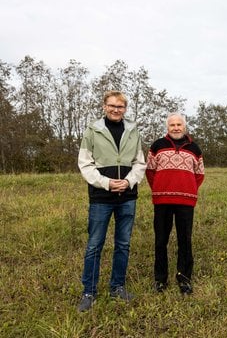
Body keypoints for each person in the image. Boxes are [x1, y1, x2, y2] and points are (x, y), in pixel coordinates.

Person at [77, 90, 146, 312]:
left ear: (125, 109)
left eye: (120, 106)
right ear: (104, 106)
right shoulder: (92, 131)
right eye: (112, 106)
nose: (116, 110)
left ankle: (117, 287)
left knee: (123, 244)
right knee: (94, 245)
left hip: (127, 197)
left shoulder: (133, 131)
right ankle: (89, 292)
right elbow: (85, 164)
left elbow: (139, 162)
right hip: (101, 198)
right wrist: (106, 183)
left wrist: (128, 181)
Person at [145, 113, 204, 294]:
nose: (176, 127)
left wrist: (189, 189)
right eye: (172, 125)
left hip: (186, 201)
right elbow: (150, 171)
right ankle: (160, 279)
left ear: (184, 127)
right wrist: (160, 188)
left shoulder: (194, 148)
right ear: (167, 127)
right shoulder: (157, 146)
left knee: (184, 240)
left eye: (179, 124)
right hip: (162, 200)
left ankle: (184, 278)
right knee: (160, 240)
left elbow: (199, 174)